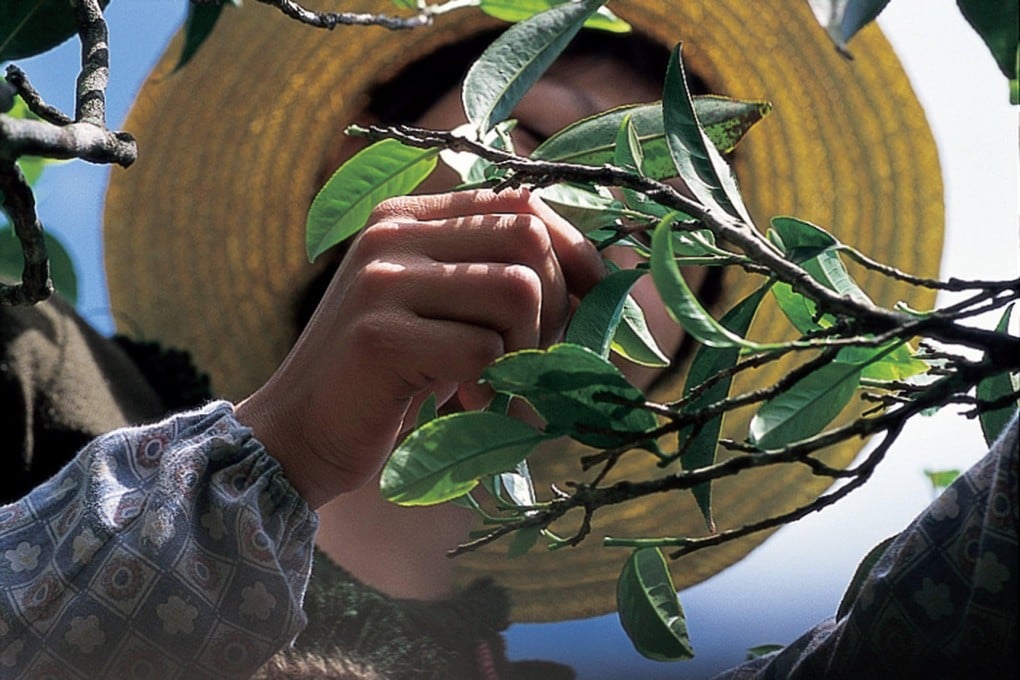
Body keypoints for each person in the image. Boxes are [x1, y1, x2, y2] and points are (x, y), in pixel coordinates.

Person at [7, 0, 1011, 678]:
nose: (600, 218)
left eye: (672, 223)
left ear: (683, 348)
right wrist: (279, 452)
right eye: (535, 136)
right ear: (375, 156)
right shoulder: (38, 368)